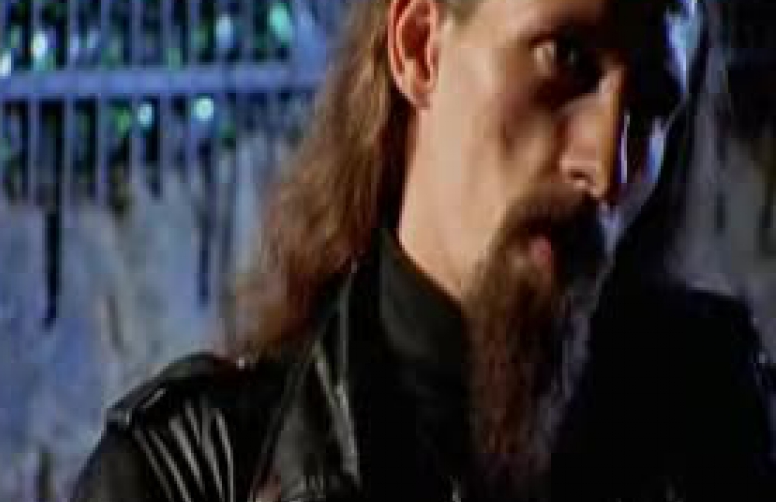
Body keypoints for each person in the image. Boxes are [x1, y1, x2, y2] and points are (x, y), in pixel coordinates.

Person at [71, 0, 776, 500]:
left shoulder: (717, 430)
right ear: (420, 48)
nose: (606, 166)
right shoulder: (190, 474)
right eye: (566, 59)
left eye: (649, 106)